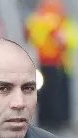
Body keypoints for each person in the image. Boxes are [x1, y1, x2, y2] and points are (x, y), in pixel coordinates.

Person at [25, 0, 78, 130]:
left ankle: (57, 119)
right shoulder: (41, 20)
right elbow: (31, 36)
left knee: (57, 93)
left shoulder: (59, 21)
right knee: (50, 92)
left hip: (58, 63)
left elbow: (70, 39)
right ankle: (52, 119)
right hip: (46, 63)